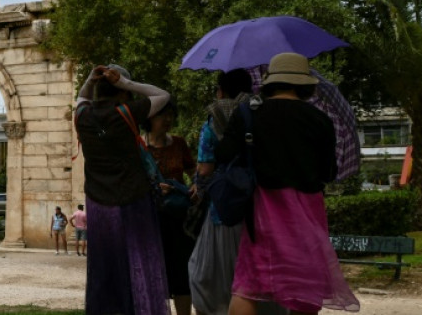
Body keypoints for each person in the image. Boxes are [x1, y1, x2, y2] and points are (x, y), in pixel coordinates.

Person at [216, 53, 359, 315]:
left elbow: (223, 154)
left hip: (262, 212)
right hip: (306, 214)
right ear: (305, 84)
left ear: (271, 82)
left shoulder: (248, 113)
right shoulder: (320, 120)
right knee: (305, 287)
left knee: (248, 284)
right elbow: (328, 172)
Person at [188, 69, 287, 315]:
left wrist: (198, 186)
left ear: (221, 90)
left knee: (209, 277)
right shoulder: (265, 116)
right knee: (258, 276)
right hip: (261, 209)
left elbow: (205, 168)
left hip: (225, 209)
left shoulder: (213, 120)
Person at [74, 64, 171, 315]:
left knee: (104, 268)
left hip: (98, 202)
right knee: (139, 263)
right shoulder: (126, 112)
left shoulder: (82, 115)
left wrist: (90, 80)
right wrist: (126, 83)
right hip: (133, 199)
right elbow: (162, 95)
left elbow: (82, 97)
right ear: (121, 92)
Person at [142, 100, 195, 315]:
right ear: (149, 118)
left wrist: (193, 187)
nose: (168, 119)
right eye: (161, 115)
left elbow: (194, 174)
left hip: (180, 219)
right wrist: (152, 188)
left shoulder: (179, 143)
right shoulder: (138, 146)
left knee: (182, 274)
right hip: (150, 219)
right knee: (154, 273)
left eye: (171, 114)